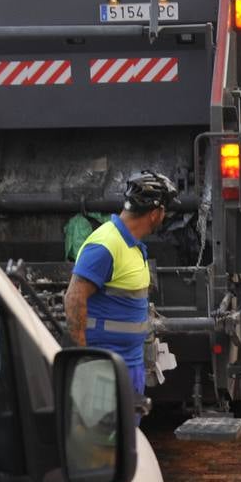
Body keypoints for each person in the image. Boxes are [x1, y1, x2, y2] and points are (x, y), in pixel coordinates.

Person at [65, 171, 177, 403]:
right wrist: (86, 362)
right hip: (104, 368)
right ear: (155, 214)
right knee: (105, 437)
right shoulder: (105, 245)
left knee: (126, 435)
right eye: (165, 211)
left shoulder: (132, 246)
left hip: (129, 364)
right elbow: (74, 299)